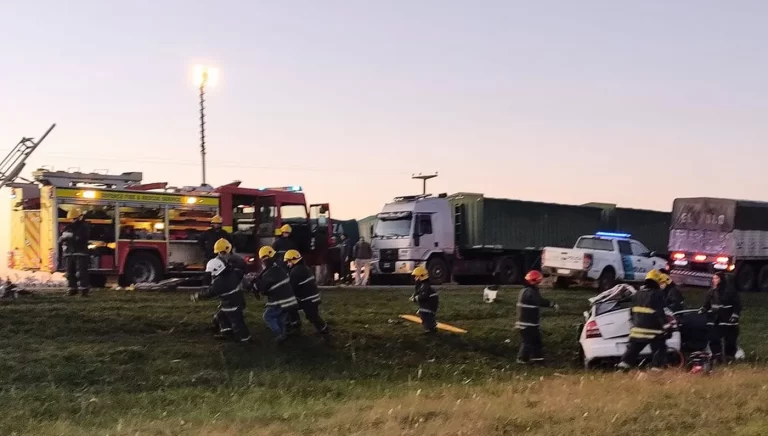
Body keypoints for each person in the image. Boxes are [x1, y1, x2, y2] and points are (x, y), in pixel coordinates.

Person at [190, 239, 251, 343]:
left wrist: (198, 296)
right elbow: (239, 274)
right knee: (222, 316)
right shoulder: (230, 271)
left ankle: (245, 339)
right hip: (233, 301)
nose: (220, 255)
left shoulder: (220, 281)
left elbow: (210, 292)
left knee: (237, 322)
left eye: (222, 253)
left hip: (231, 304)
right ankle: (227, 332)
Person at [618, 270, 671, 371]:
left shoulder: (637, 294)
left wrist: (634, 325)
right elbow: (659, 312)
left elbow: (631, 312)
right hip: (653, 332)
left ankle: (621, 371)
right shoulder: (657, 294)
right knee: (660, 350)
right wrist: (667, 327)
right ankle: (656, 372)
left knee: (630, 354)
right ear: (656, 281)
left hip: (636, 332)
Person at [252, 246, 299, 342]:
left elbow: (263, 286)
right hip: (289, 301)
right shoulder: (278, 268)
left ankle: (279, 334)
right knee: (280, 318)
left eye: (263, 259)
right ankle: (283, 334)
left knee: (268, 317)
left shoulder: (270, 272)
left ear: (265, 258)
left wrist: (254, 284)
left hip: (281, 301)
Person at [515, 270, 559, 364]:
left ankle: (538, 359)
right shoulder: (530, 292)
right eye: (538, 281)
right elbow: (540, 301)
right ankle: (521, 359)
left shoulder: (525, 291)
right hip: (527, 324)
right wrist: (551, 304)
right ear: (534, 281)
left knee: (536, 341)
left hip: (530, 323)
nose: (539, 283)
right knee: (527, 342)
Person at [284, 249, 329, 334]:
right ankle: (323, 329)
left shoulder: (296, 271)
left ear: (293, 260)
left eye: (288, 261)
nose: (287, 264)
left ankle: (296, 327)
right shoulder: (304, 268)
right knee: (312, 316)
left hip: (308, 299)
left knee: (292, 307)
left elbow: (292, 287)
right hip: (312, 298)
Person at [701, 271, 742, 362]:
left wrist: (735, 315)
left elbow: (737, 305)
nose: (714, 280)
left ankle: (729, 357)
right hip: (716, 320)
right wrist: (703, 309)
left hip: (728, 320)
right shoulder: (711, 291)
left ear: (721, 279)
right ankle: (717, 356)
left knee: (730, 340)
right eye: (713, 278)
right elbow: (707, 304)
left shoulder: (730, 291)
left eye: (716, 278)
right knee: (714, 337)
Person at [58, 208, 91, 296]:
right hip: (69, 253)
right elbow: (60, 239)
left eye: (74, 218)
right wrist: (62, 238)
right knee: (69, 273)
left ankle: (84, 291)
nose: (73, 220)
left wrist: (72, 236)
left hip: (80, 253)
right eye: (72, 219)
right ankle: (72, 289)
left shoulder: (84, 227)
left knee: (81, 273)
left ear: (79, 218)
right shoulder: (68, 227)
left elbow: (82, 238)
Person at [410, 265, 439, 334]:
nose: (415, 278)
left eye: (416, 276)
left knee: (425, 315)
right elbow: (418, 292)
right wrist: (414, 295)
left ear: (421, 276)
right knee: (427, 315)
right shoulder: (423, 285)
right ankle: (432, 327)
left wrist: (415, 298)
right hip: (429, 304)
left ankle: (429, 329)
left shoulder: (424, 286)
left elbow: (423, 296)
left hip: (429, 305)